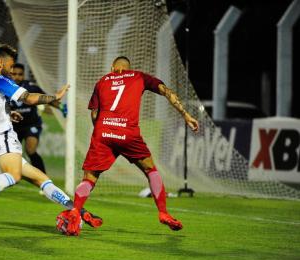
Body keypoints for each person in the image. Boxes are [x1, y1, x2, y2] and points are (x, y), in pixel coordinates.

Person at [0, 44, 102, 228]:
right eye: (10, 66)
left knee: (40, 178)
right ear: (0, 63)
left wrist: (6, 113)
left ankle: (77, 210)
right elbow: (28, 98)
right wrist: (53, 97)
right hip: (2, 136)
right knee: (14, 175)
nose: (11, 71)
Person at [57, 56, 199, 236]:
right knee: (151, 170)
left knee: (89, 178)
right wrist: (186, 115)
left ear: (112, 67)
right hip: (128, 133)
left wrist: (104, 134)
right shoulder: (139, 76)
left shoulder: (102, 81)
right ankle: (163, 212)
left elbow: (94, 114)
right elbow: (167, 92)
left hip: (104, 132)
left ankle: (75, 211)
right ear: (128, 68)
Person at [0, 63, 66, 191]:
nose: (17, 77)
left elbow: (47, 99)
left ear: (23, 75)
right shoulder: (4, 87)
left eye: (20, 74)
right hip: (12, 127)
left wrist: (62, 107)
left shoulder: (30, 87)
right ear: (9, 74)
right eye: (14, 74)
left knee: (31, 150)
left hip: (31, 124)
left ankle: (45, 184)